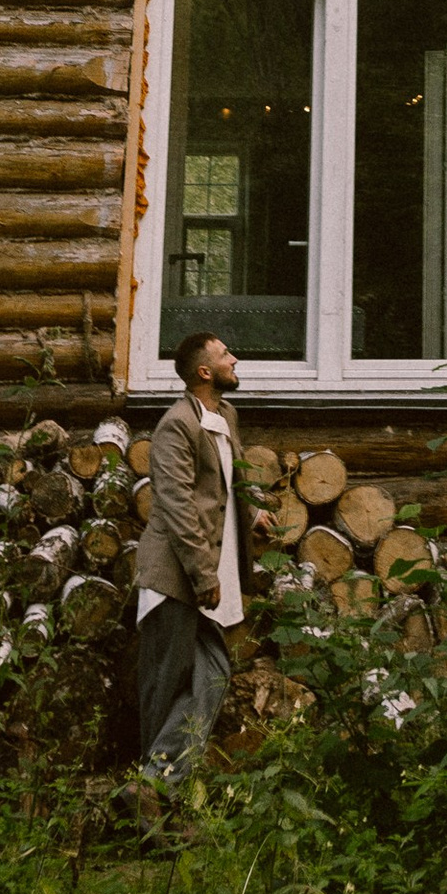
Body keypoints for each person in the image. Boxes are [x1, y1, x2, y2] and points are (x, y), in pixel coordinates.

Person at [134, 326, 253, 783]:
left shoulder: (226, 417)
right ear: (205, 371)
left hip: (208, 575)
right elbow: (180, 509)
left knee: (213, 677)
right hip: (175, 577)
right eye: (226, 355)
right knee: (165, 687)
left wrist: (252, 515)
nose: (235, 360)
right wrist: (206, 578)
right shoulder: (175, 427)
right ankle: (150, 799)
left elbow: (225, 485)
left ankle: (154, 785)